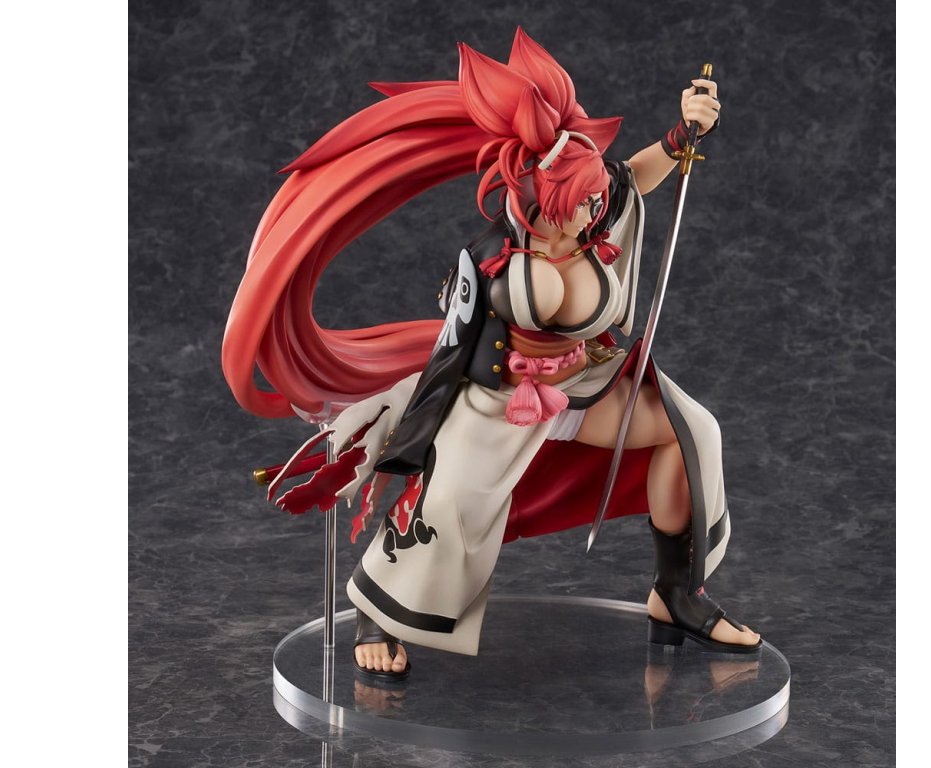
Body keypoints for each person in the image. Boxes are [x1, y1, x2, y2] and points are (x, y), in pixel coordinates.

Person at [223, 28, 761, 685]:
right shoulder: (497, 264)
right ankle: (377, 614)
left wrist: (683, 134)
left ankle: (678, 592)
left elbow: (632, 179)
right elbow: (453, 346)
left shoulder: (591, 207)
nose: (597, 208)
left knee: (692, 432)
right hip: (501, 400)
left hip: (585, 384)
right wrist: (414, 419)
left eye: (596, 198)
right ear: (541, 204)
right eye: (581, 202)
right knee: (449, 507)